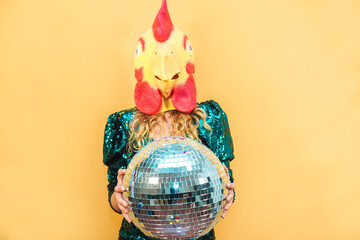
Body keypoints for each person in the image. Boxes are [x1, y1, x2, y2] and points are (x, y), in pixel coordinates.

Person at [103, 1, 236, 239]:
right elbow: (113, 196)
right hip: (139, 235)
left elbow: (226, 181)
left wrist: (228, 194)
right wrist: (119, 197)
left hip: (197, 234)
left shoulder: (209, 118)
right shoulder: (123, 124)